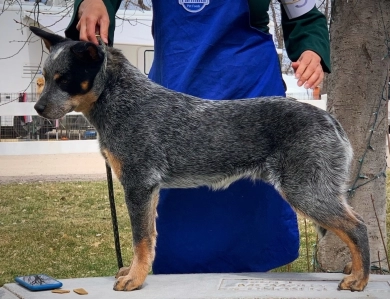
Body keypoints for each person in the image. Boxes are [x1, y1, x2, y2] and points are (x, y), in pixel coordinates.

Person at [66, 0, 330, 274]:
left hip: (251, 99)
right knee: (179, 230)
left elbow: (305, 16)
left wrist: (312, 49)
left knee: (253, 227)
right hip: (172, 98)